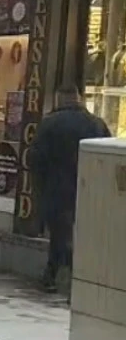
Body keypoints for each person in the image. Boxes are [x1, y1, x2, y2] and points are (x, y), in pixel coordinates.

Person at [31, 86, 110, 293]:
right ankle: (65, 276)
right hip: (87, 190)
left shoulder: (49, 124)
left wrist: (39, 188)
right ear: (79, 99)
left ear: (59, 99)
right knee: (79, 235)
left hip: (56, 189)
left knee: (59, 234)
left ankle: (61, 275)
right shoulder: (96, 124)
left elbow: (35, 159)